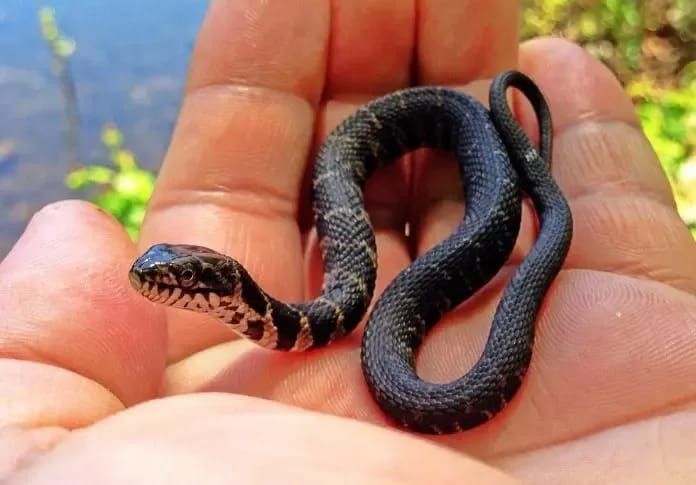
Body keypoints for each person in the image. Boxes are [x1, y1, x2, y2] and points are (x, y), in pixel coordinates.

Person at [2, 1, 695, 483]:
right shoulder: (315, 309)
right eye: (173, 279)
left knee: (484, 191)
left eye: (178, 280)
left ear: (217, 287)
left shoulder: (299, 307)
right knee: (368, 170)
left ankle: (501, 164)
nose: (164, 284)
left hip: (446, 192)